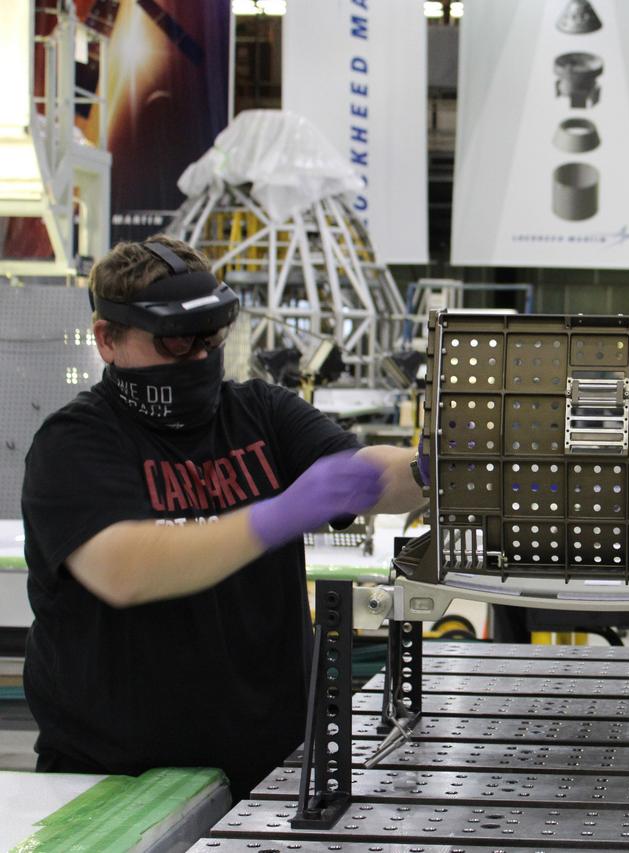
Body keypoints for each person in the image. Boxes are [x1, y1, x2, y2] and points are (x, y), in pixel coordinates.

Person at [21, 236, 423, 799]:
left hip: (269, 771)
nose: (201, 357)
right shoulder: (75, 443)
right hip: (112, 782)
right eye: (177, 341)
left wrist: (433, 469)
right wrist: (276, 515)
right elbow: (126, 569)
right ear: (107, 339)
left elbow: (368, 471)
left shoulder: (261, 411)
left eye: (212, 337)